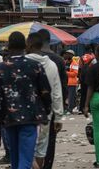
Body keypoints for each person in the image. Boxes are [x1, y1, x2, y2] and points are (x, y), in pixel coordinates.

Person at [0, 31, 51, 169]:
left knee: (15, 158)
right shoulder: (35, 66)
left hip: (9, 119)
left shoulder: (1, 68)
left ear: (8, 46)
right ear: (25, 46)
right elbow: (45, 92)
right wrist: (46, 110)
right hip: (30, 118)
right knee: (26, 158)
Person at [26, 31, 64, 169]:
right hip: (45, 114)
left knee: (26, 147)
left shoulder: (23, 63)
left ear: (29, 45)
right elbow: (57, 93)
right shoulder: (52, 65)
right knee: (41, 148)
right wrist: (58, 116)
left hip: (25, 113)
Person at [37, 29, 67, 169]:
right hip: (52, 107)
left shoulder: (31, 58)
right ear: (50, 41)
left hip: (32, 107)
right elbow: (62, 88)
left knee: (32, 140)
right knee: (50, 140)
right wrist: (60, 112)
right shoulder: (58, 60)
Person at [64, 50, 79, 114]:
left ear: (72, 55)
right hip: (66, 82)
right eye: (66, 54)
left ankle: (70, 109)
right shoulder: (65, 62)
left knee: (71, 97)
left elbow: (75, 73)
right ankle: (69, 108)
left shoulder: (74, 63)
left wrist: (66, 73)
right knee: (67, 96)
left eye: (68, 54)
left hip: (72, 83)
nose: (67, 55)